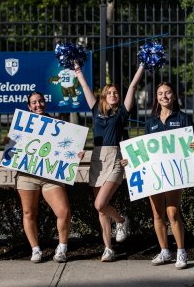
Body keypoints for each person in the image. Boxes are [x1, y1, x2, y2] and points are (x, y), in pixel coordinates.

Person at [122, 82, 194, 269]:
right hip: (154, 174)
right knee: (157, 214)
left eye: (167, 93)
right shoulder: (150, 123)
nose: (164, 96)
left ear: (173, 96)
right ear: (156, 98)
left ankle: (181, 252)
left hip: (175, 174)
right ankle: (165, 251)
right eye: (160, 93)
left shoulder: (183, 118)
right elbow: (144, 151)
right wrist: (129, 160)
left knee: (172, 212)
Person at [74, 61, 145, 262]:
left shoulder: (122, 113)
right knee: (101, 210)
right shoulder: (96, 109)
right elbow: (85, 86)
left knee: (100, 203)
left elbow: (132, 86)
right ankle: (108, 248)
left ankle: (121, 220)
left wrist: (141, 65)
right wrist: (77, 69)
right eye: (110, 93)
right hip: (97, 159)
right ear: (104, 96)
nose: (114, 95)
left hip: (115, 159)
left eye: (116, 93)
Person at [15, 91, 72, 263]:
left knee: (64, 212)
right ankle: (35, 249)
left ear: (45, 103)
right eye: (34, 102)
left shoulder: (56, 124)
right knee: (28, 212)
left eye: (40, 101)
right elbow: (13, 149)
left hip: (50, 174)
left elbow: (66, 148)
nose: (38, 105)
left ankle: (62, 248)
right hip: (27, 175)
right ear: (29, 106)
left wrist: (75, 154)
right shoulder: (22, 125)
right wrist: (9, 148)